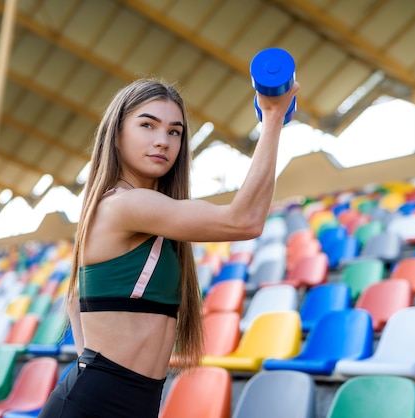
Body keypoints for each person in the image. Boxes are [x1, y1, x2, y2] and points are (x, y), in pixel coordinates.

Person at [38, 76, 299, 418]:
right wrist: (273, 119)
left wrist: (99, 371)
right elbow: (245, 220)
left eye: (174, 131)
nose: (162, 141)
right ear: (116, 134)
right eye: (148, 125)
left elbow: (76, 301)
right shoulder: (124, 205)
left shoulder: (141, 211)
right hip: (95, 405)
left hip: (125, 401)